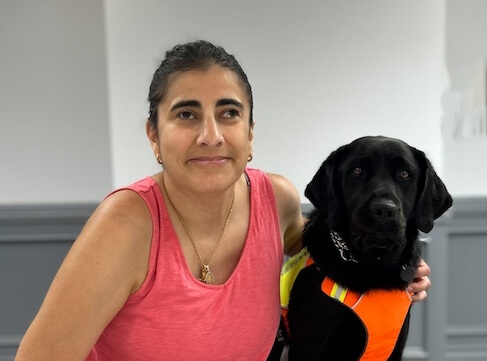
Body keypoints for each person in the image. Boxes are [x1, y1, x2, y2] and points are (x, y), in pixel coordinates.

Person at [15, 40, 431, 361]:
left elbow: (333, 246)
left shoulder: (277, 199)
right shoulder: (125, 225)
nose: (210, 135)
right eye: (186, 114)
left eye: (229, 113)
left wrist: (402, 266)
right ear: (153, 136)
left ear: (250, 134)